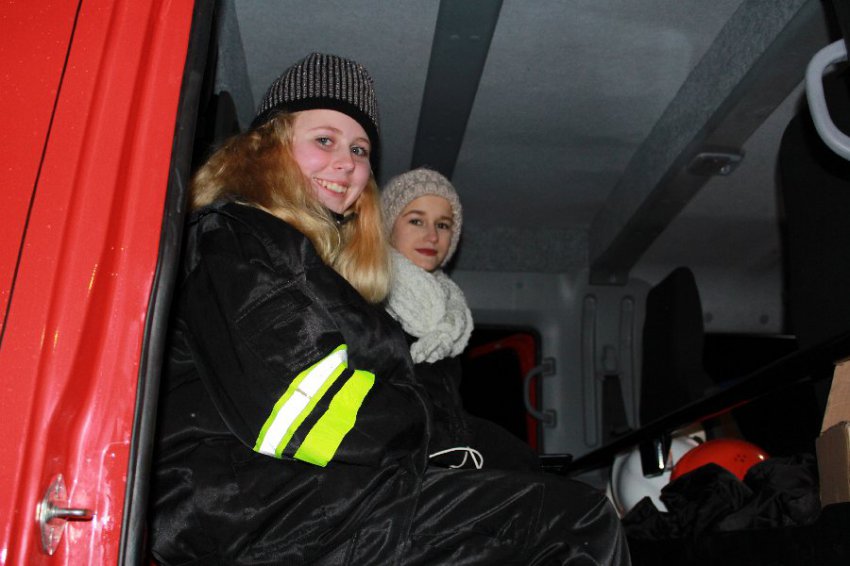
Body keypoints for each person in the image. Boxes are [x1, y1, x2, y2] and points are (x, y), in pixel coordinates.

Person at [150, 52, 630, 565]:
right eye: (325, 140)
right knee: (577, 521)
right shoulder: (238, 238)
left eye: (359, 149)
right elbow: (301, 405)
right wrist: (428, 433)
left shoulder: (302, 261)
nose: (347, 163)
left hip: (303, 502)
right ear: (267, 147)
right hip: (258, 512)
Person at [381, 167, 541, 471]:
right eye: (416, 221)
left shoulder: (451, 312)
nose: (432, 236)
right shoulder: (370, 298)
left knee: (527, 464)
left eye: (443, 225)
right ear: (387, 227)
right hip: (402, 454)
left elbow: (447, 404)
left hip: (448, 442)